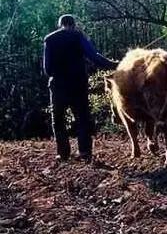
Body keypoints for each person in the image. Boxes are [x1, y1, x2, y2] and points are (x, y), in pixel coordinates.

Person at [43, 14, 118, 162]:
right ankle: (84, 152)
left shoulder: (49, 39)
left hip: (58, 86)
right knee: (82, 118)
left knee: (58, 120)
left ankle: (63, 154)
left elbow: (47, 69)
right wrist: (114, 64)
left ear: (60, 25)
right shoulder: (78, 36)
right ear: (73, 24)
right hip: (78, 84)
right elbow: (94, 56)